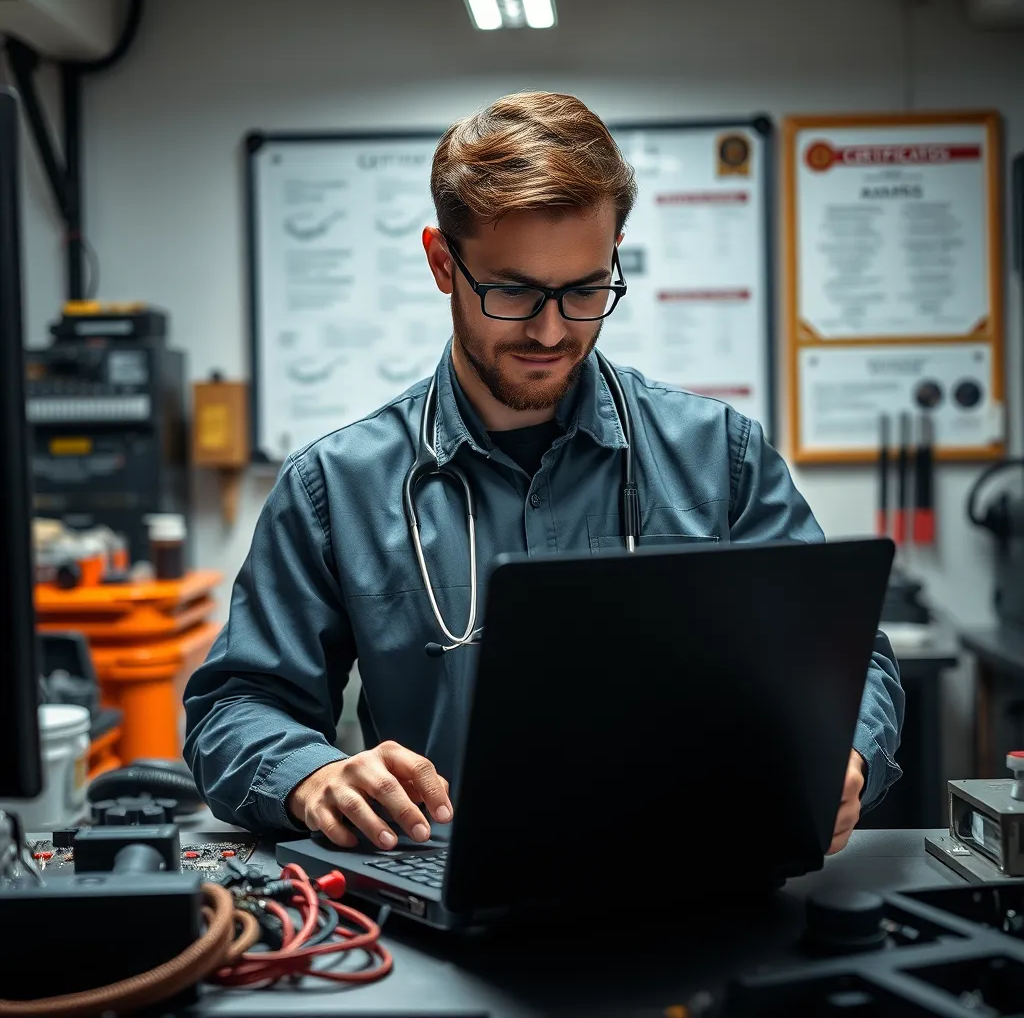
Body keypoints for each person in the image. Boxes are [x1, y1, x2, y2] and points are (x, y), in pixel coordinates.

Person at [183, 91, 904, 857]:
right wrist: (312, 776)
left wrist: (843, 755)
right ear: (441, 263)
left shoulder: (718, 458)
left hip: (698, 884)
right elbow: (237, 704)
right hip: (449, 898)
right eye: (515, 291)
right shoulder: (337, 487)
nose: (552, 329)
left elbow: (850, 665)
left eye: (587, 290)